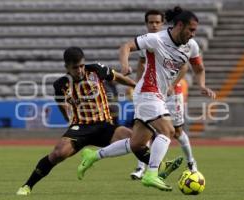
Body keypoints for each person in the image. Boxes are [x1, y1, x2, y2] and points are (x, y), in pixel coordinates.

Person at [77, 6, 216, 191]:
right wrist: (125, 66)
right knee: (168, 131)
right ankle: (151, 173)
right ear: (180, 25)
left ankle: (92, 156)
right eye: (191, 29)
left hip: (158, 95)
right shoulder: (156, 39)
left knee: (137, 143)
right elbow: (126, 46)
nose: (193, 34)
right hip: (147, 92)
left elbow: (198, 68)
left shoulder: (191, 46)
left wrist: (202, 85)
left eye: (195, 31)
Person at [16, 46, 137, 195]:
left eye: (81, 66)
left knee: (134, 139)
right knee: (58, 154)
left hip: (105, 125)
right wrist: (69, 120)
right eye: (75, 68)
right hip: (80, 127)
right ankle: (27, 186)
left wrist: (135, 85)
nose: (79, 70)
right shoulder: (60, 85)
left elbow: (117, 77)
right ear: (67, 67)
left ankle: (154, 170)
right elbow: (61, 104)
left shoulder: (96, 70)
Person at [130, 9, 183, 180]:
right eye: (150, 22)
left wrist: (172, 86)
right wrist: (134, 84)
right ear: (146, 24)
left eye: (157, 22)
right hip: (148, 92)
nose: (153, 25)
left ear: (162, 24)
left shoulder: (167, 41)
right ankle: (145, 170)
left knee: (143, 137)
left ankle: (95, 156)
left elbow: (184, 66)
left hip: (163, 93)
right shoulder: (147, 41)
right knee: (162, 131)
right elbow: (141, 63)